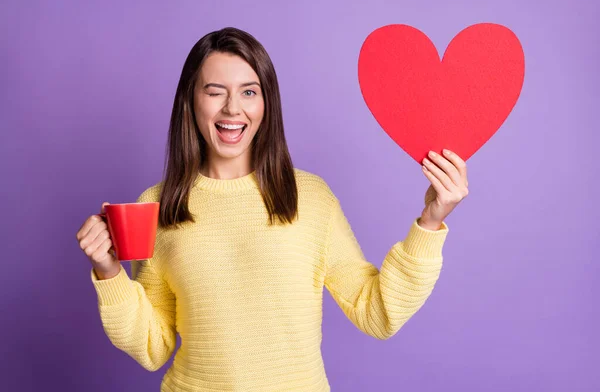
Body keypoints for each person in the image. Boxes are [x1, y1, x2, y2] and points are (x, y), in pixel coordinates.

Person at [75, 27, 469, 392]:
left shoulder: (310, 197)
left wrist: (430, 222)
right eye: (214, 91)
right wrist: (109, 272)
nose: (233, 109)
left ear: (267, 102)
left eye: (249, 91)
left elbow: (377, 312)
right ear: (190, 100)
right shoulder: (157, 205)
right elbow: (152, 345)